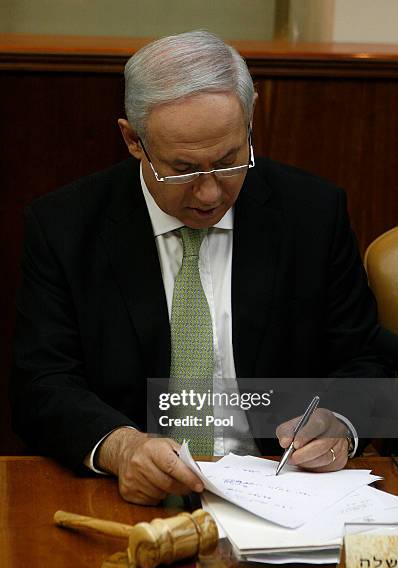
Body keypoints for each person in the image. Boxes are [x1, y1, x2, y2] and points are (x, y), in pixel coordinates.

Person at [10, 31, 391, 506]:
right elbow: (42, 384)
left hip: (283, 491)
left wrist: (341, 422)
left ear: (250, 125)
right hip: (129, 495)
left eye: (230, 161)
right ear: (133, 140)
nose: (210, 194)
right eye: (185, 169)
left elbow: (364, 360)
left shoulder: (311, 214)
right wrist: (120, 447)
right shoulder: (65, 227)